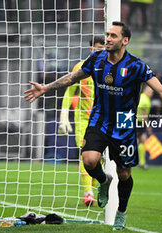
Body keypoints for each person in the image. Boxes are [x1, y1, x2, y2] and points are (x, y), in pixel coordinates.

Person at [24, 21, 162, 230]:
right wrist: (45, 88)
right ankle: (103, 181)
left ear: (125, 41)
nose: (108, 39)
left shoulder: (136, 66)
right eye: (107, 35)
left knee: (124, 174)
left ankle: (121, 212)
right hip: (99, 119)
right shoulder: (96, 59)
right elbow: (73, 77)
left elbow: (161, 91)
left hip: (124, 123)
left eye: (113, 36)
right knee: (89, 160)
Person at [58, 36, 105, 206]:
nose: (100, 51)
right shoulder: (81, 67)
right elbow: (70, 91)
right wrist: (64, 115)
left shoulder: (110, 69)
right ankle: (88, 193)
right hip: (83, 119)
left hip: (102, 119)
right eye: (97, 48)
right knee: (85, 154)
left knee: (97, 158)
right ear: (91, 49)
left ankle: (94, 189)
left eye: (103, 48)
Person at [136, 85, 154, 169]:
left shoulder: (141, 97)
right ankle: (134, 162)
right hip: (138, 122)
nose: (151, 93)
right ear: (145, 90)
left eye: (152, 92)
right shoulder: (145, 100)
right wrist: (148, 126)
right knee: (137, 141)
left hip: (138, 122)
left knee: (143, 141)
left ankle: (141, 162)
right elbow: (144, 115)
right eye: (150, 91)